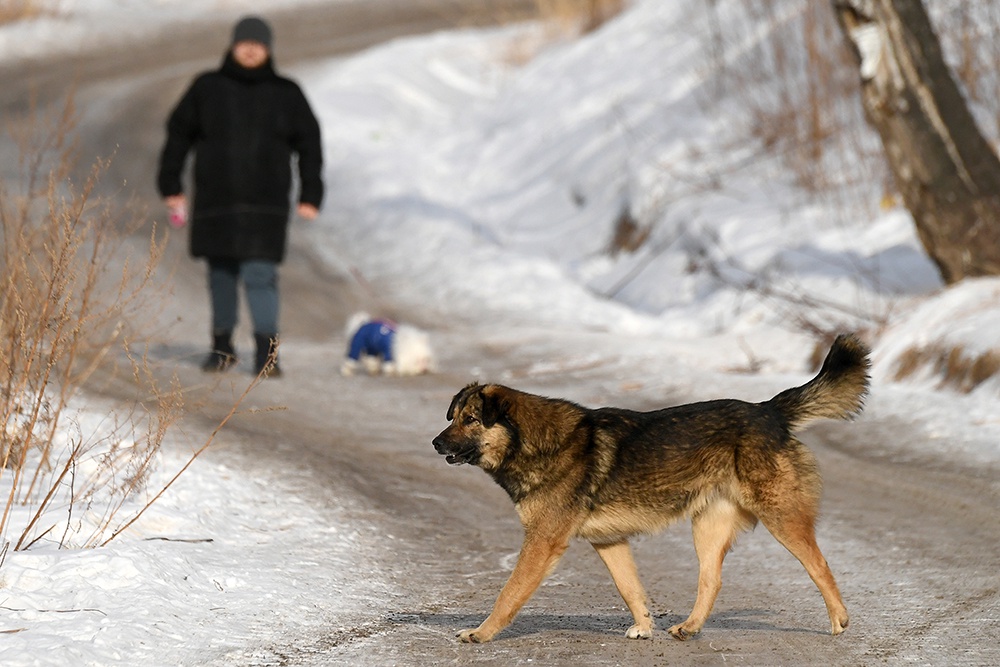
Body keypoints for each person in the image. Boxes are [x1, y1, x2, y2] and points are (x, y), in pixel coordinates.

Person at [157, 15, 323, 377]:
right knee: (221, 274)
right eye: (244, 42)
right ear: (233, 45)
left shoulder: (287, 93)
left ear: (268, 48)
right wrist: (171, 184)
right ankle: (221, 348)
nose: (250, 49)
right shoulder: (207, 87)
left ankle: (267, 354)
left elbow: (310, 143)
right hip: (218, 201)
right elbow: (178, 135)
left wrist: (311, 191)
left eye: (257, 43)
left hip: (266, 205)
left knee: (260, 273)